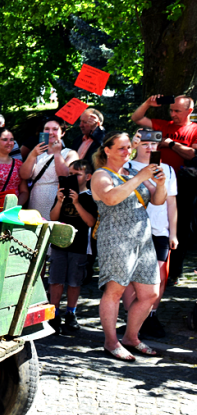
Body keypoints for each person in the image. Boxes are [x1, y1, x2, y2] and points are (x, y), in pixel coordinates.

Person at [91, 132, 166, 361]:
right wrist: (140, 177)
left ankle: (131, 338)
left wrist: (160, 184)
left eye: (128, 148)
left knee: (150, 293)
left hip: (142, 238)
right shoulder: (101, 175)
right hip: (115, 237)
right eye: (122, 148)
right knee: (114, 291)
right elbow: (111, 198)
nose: (127, 152)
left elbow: (158, 200)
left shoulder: (134, 173)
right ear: (107, 150)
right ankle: (111, 342)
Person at [131, 94, 197, 285]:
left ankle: (174, 272)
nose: (173, 114)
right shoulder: (163, 124)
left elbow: (192, 154)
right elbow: (136, 118)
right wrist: (147, 103)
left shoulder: (194, 129)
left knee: (180, 226)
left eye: (177, 111)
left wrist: (169, 143)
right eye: (171, 110)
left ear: (189, 111)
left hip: (184, 182)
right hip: (154, 177)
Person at [124, 129, 178, 338]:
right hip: (132, 230)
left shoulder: (168, 170)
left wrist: (173, 233)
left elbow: (172, 203)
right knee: (130, 277)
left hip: (159, 230)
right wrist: (131, 148)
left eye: (153, 143)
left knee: (159, 277)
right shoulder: (126, 166)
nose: (149, 147)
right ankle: (132, 319)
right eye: (144, 143)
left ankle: (151, 316)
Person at [48, 159, 97, 334]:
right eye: (69, 174)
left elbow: (91, 221)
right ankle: (53, 313)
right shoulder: (62, 194)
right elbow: (52, 218)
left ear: (88, 176)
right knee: (56, 279)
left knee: (75, 281)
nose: (72, 177)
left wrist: (77, 203)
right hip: (59, 243)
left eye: (77, 174)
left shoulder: (90, 197)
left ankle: (71, 312)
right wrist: (60, 201)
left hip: (80, 246)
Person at [20, 117, 79, 220]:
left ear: (62, 133)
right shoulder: (37, 153)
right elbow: (24, 175)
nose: (50, 132)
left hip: (56, 199)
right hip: (35, 198)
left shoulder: (70, 153)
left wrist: (57, 153)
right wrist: (32, 155)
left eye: (55, 129)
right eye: (47, 129)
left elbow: (65, 175)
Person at [0, 128, 30, 206]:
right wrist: (0, 206)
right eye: (5, 139)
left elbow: (24, 191)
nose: (9, 143)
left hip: (15, 210)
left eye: (11, 139)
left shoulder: (18, 164)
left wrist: (16, 206)